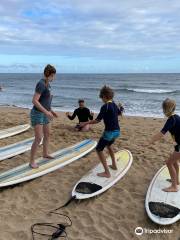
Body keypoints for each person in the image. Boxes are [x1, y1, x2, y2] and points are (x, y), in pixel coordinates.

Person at [80, 85, 124, 178]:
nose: (101, 99)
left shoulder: (105, 106)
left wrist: (85, 123)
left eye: (101, 97)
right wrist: (121, 107)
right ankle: (114, 165)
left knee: (99, 149)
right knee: (109, 145)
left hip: (109, 132)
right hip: (117, 131)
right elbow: (120, 113)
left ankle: (107, 173)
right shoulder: (114, 104)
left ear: (104, 96)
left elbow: (97, 120)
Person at [30, 64, 58, 168]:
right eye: (54, 75)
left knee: (47, 134)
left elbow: (45, 101)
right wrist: (47, 112)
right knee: (38, 138)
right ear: (50, 74)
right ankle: (32, 161)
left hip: (45, 112)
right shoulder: (41, 84)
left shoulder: (48, 84)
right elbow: (35, 101)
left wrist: (51, 110)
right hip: (37, 113)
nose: (54, 77)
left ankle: (45, 154)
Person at [148, 98, 180, 192]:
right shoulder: (177, 117)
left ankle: (174, 187)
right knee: (174, 162)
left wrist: (151, 141)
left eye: (163, 109)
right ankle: (176, 181)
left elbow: (162, 133)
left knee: (169, 163)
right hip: (178, 145)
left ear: (166, 109)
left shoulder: (171, 120)